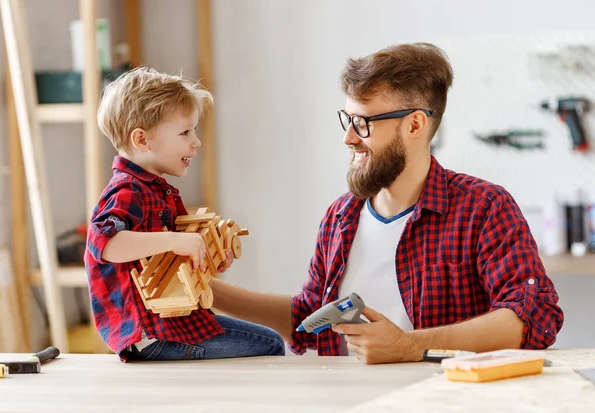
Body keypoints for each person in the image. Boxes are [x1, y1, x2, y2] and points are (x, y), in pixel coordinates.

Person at [208, 43, 564, 364]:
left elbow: (531, 317)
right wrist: (208, 290)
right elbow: (311, 319)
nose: (348, 138)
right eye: (347, 120)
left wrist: (408, 346)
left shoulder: (484, 207)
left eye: (363, 124)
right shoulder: (340, 216)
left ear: (414, 125)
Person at [84, 67, 285, 362]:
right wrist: (174, 241)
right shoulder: (127, 191)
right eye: (184, 132)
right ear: (142, 140)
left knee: (268, 341)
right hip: (151, 333)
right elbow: (105, 245)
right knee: (270, 345)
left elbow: (171, 264)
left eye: (194, 131)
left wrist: (207, 259)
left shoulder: (157, 191)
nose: (196, 142)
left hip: (172, 323)